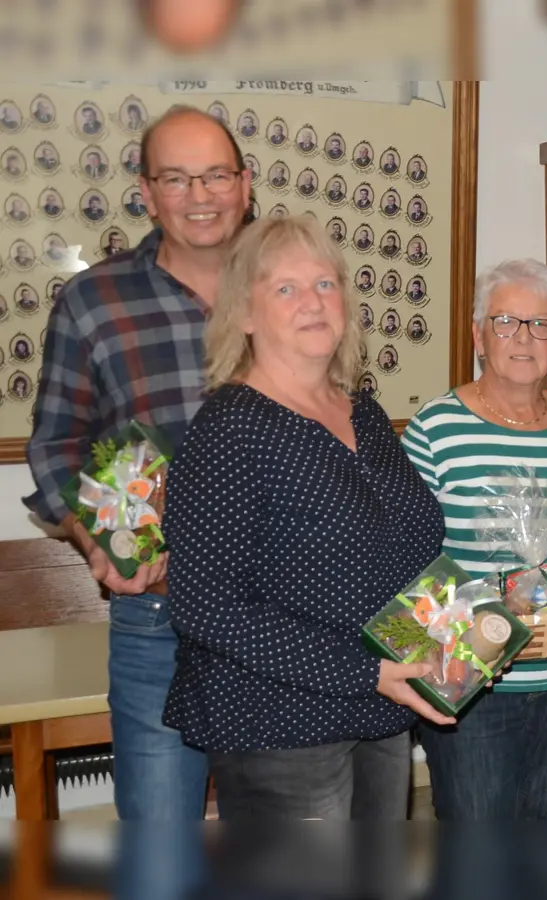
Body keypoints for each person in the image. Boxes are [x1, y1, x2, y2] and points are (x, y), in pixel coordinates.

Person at [162, 214, 448, 819]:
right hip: (278, 724)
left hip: (382, 706)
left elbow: (407, 551)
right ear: (243, 314)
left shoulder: (366, 416)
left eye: (325, 284)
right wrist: (365, 670)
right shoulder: (230, 429)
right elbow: (205, 605)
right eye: (285, 289)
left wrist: (452, 651)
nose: (313, 302)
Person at [25, 106, 250, 821]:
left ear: (245, 184)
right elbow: (57, 446)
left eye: (215, 174)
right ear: (146, 193)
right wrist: (98, 538)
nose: (201, 195)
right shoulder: (93, 303)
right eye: (176, 178)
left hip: (284, 612)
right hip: (158, 615)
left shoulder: (294, 292)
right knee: (159, 844)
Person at [403, 259, 547, 819]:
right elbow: (408, 559)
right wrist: (496, 609)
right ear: (479, 335)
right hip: (475, 680)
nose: (523, 338)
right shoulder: (435, 428)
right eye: (505, 322)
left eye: (541, 324)